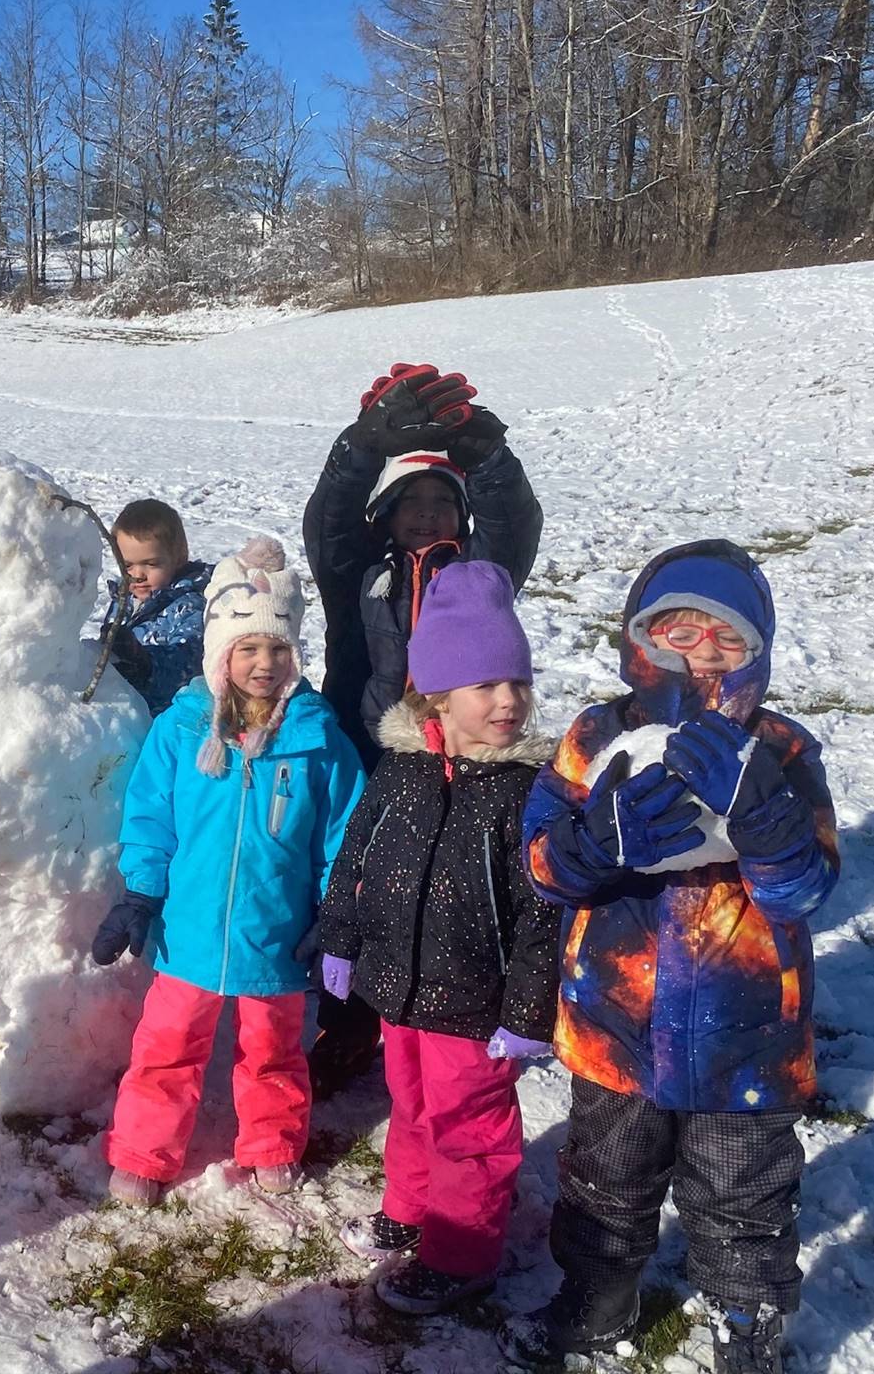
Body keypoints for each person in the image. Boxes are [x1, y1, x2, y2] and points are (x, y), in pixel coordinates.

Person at [513, 540, 838, 1374]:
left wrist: (766, 818)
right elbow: (541, 867)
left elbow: (803, 891)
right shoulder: (595, 738)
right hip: (615, 1029)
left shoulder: (784, 754)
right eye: (676, 633)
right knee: (604, 1182)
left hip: (746, 1042)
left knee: (745, 1197)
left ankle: (748, 1317)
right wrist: (594, 843)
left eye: (725, 640)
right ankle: (596, 1297)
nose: (699, 658)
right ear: (637, 641)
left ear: (758, 654)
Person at [313, 563, 561, 1315]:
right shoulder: (401, 769)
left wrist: (526, 1015)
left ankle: (461, 1253)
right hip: (401, 988)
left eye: (516, 683)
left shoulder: (527, 793)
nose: (508, 701)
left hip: (477, 1004)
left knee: (470, 1129)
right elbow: (357, 855)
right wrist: (339, 935)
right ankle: (410, 1210)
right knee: (412, 1106)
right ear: (437, 694)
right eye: (486, 685)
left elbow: (543, 915)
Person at [91, 537, 364, 1205]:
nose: (263, 663)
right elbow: (152, 819)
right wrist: (139, 894)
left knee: (273, 1051)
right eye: (248, 648)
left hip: (276, 932)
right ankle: (144, 1154)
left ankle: (270, 1142)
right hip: (190, 934)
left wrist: (336, 912)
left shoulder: (318, 739)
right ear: (220, 655)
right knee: (166, 1049)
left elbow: (343, 836)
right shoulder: (182, 731)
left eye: (277, 649)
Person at [302, 362, 545, 1100]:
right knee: (361, 886)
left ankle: (451, 1017)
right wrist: (363, 446)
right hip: (370, 752)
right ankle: (346, 1026)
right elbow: (328, 520)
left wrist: (484, 454)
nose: (429, 512)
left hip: (461, 763)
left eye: (445, 501)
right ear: (386, 516)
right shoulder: (357, 574)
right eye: (412, 502)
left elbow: (514, 523)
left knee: (447, 892)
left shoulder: (480, 579)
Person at [101, 499, 213, 716]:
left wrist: (143, 663)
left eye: (151, 564)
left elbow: (186, 668)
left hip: (165, 723)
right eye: (127, 565)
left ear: (178, 558)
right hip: (123, 714)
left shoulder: (188, 607)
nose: (138, 575)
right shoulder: (124, 600)